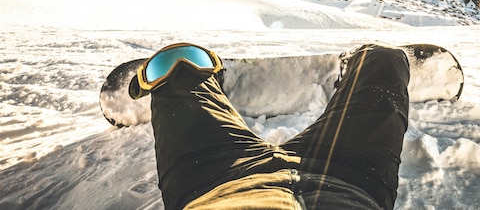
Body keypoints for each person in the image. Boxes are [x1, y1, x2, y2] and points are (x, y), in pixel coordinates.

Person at [131, 43, 410, 210]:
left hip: (212, 179)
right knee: (385, 59)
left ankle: (208, 82)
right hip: (353, 177)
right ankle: (358, 66)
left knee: (177, 68)